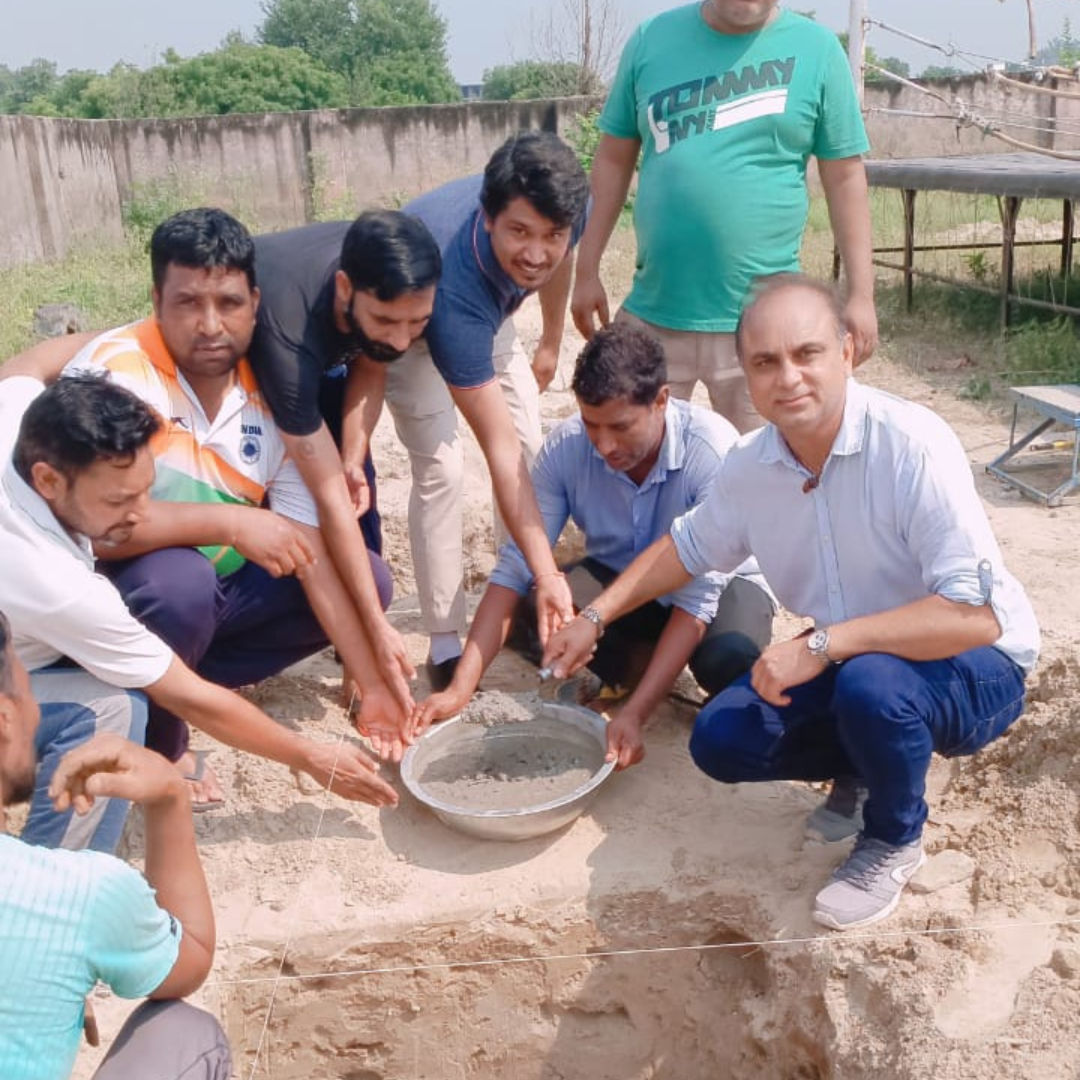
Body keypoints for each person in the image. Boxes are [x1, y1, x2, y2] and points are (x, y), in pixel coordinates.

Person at [544, 275, 1039, 931]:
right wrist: (594, 616)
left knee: (870, 684)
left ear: (848, 350)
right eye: (765, 362)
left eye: (807, 354)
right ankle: (864, 769)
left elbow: (976, 616)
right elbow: (685, 550)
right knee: (723, 737)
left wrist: (819, 645)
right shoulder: (753, 466)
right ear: (745, 374)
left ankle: (893, 839)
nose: (789, 378)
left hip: (977, 666)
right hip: (860, 659)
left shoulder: (912, 446)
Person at [57, 209, 411, 773]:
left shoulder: (272, 387)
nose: (210, 325)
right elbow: (88, 531)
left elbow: (308, 550)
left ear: (256, 301)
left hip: (209, 596)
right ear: (156, 301)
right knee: (180, 584)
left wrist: (372, 684)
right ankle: (164, 747)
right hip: (117, 595)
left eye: (228, 303)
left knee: (367, 577)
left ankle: (184, 683)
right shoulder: (117, 378)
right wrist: (231, 524)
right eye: (188, 303)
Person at [0, 372, 399, 841]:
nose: (141, 512)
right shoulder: (52, 580)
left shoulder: (16, 410)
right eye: (119, 500)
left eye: (147, 488)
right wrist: (309, 755)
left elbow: (34, 363)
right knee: (113, 711)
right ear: (47, 480)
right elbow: (187, 695)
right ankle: (53, 893)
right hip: (24, 674)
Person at [416, 322, 775, 768]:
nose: (605, 445)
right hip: (621, 583)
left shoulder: (714, 452)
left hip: (722, 586)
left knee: (728, 661)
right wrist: (460, 688)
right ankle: (637, 666)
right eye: (592, 425)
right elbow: (514, 567)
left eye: (621, 427)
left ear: (662, 400)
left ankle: (648, 678)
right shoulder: (567, 446)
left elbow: (697, 600)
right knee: (534, 605)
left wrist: (634, 716)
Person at [339, 130, 590, 690]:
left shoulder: (575, 203)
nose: (537, 252)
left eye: (552, 234)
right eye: (519, 231)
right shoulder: (451, 300)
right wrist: (555, 572)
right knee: (444, 468)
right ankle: (445, 638)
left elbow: (560, 260)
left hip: (491, 315)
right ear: (487, 215)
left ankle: (520, 603)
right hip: (424, 319)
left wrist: (550, 338)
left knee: (535, 450)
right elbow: (497, 456)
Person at [571, 0, 877, 433]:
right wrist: (586, 270)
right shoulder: (650, 41)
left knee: (774, 474)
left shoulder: (818, 51)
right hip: (654, 315)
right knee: (634, 467)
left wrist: (862, 295)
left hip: (767, 325)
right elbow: (613, 159)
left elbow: (845, 177)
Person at [0, 609, 230, 1080]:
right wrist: (168, 795)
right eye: (30, 695)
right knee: (186, 1031)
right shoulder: (79, 891)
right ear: (5, 719)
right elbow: (192, 959)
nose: (37, 710)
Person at [248, 209, 442, 713]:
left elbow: (373, 361)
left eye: (417, 323)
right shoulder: (286, 336)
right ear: (343, 287)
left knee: (359, 497)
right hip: (255, 376)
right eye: (388, 321)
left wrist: (352, 458)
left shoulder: (389, 283)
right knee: (308, 511)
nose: (403, 338)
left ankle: (360, 673)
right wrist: (381, 628)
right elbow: (327, 496)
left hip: (333, 355)